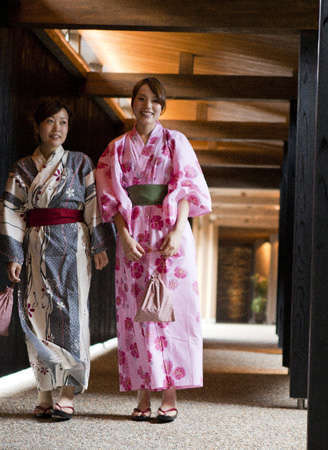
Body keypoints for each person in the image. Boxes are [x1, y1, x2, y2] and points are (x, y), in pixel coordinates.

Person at [95, 78, 212, 423]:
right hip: (132, 233)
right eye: (141, 99)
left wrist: (179, 229)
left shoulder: (176, 141)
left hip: (168, 231)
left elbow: (188, 188)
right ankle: (142, 394)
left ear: (163, 106)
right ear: (132, 103)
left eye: (154, 101)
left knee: (170, 310)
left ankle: (170, 394)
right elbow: (110, 198)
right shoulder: (116, 148)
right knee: (135, 312)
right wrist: (122, 236)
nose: (148, 106)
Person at [0, 98, 110, 420]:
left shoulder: (81, 163)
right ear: (38, 126)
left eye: (63, 122)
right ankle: (44, 391)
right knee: (37, 316)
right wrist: (13, 255)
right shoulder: (23, 168)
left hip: (73, 245)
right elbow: (11, 210)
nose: (57, 129)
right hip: (36, 246)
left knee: (71, 316)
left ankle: (67, 393)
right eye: (51, 122)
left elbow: (93, 205)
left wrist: (99, 246)